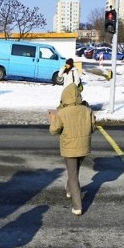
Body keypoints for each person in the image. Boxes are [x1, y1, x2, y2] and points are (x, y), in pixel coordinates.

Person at [48, 83, 96, 216]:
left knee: (73, 175)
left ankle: (77, 206)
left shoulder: (62, 112)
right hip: (84, 146)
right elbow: (93, 128)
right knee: (74, 171)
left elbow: (54, 130)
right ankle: (69, 190)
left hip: (69, 148)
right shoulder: (87, 110)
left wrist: (53, 120)